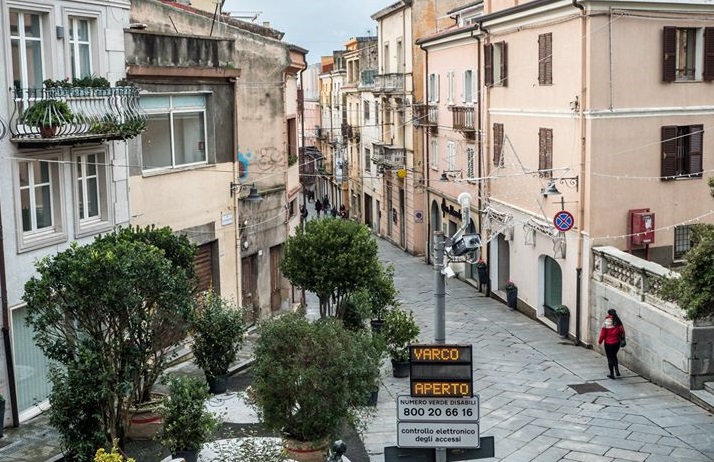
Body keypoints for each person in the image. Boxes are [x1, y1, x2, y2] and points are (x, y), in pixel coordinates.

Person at [598, 308, 625, 379]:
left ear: (609, 314)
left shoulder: (606, 322)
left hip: (608, 343)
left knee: (610, 358)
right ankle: (617, 370)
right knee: (614, 355)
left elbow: (602, 335)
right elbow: (622, 331)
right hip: (616, 343)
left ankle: (612, 374)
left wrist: (600, 341)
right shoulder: (618, 321)